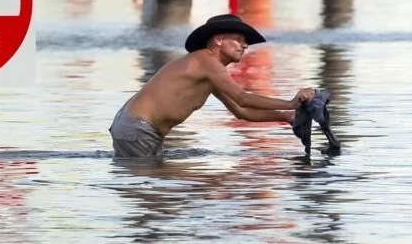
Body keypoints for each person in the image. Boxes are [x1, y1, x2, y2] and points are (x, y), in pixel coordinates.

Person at [109, 14, 315, 159]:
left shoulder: (209, 72)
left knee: (161, 185)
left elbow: (241, 111)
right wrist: (292, 103)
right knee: (156, 190)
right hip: (138, 128)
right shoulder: (206, 60)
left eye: (245, 42)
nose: (244, 46)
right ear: (217, 40)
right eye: (237, 40)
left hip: (138, 128)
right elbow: (242, 97)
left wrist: (285, 116)